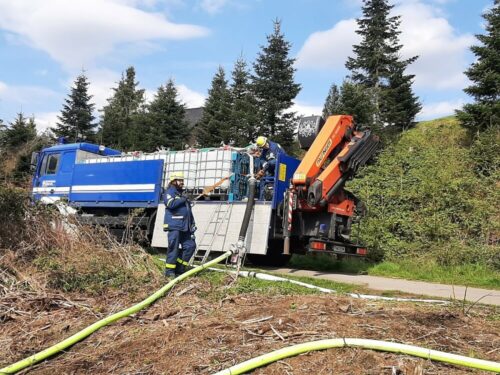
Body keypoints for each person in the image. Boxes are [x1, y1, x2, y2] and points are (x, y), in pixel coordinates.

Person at [162, 172, 196, 277]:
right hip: (174, 226)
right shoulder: (169, 192)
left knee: (190, 246)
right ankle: (169, 272)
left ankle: (179, 268)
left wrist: (192, 224)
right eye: (179, 180)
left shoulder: (181, 194)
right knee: (174, 248)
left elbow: (188, 212)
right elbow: (170, 204)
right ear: (173, 181)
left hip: (185, 226)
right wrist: (183, 199)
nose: (182, 182)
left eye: (182, 180)